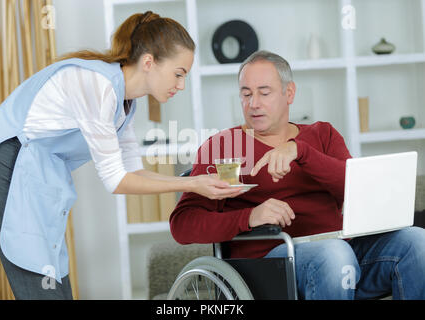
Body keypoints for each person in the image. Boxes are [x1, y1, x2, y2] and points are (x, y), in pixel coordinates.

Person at [0, 11, 242, 300]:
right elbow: (116, 181)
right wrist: (192, 184)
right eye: (178, 74)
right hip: (6, 166)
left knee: (53, 278)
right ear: (149, 62)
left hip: (35, 173)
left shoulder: (125, 105)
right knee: (38, 278)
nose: (181, 85)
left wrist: (197, 180)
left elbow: (133, 172)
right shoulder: (97, 85)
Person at [170, 50, 425, 300]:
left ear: (289, 93)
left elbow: (354, 191)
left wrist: (301, 152)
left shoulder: (322, 135)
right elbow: (183, 224)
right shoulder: (226, 147)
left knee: (417, 241)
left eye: (264, 92)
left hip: (343, 251)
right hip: (272, 265)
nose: (253, 104)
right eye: (246, 94)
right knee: (335, 255)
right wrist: (250, 216)